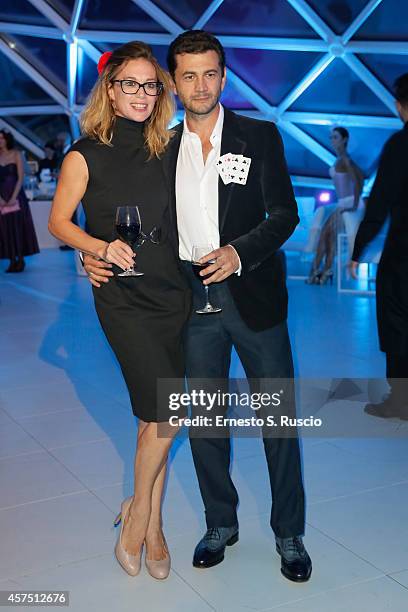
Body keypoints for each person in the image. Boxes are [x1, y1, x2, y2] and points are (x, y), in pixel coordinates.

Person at [84, 30, 312, 583]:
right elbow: (122, 219)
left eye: (210, 73)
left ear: (224, 77)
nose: (200, 85)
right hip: (190, 302)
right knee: (207, 422)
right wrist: (91, 257)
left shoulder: (260, 137)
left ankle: (289, 533)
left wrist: (239, 252)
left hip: (254, 299)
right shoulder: (160, 148)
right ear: (174, 83)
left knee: (277, 420)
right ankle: (220, 524)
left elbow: (284, 215)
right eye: (188, 75)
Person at [48, 41, 191, 580]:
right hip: (124, 298)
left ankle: (148, 520)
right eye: (129, 83)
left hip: (172, 292)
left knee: (151, 416)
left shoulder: (167, 147)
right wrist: (97, 249)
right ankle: (138, 527)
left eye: (150, 85)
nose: (141, 93)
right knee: (169, 413)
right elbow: (59, 221)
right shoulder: (85, 152)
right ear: (110, 90)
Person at [350, 73, 408, 421]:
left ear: (401, 105)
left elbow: (379, 204)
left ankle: (401, 401)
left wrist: (359, 251)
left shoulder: (401, 145)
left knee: (398, 325)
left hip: (404, 257)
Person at [306, 127, 364, 285]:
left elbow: (359, 181)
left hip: (347, 204)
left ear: (344, 139)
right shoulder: (343, 158)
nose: (332, 140)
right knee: (328, 237)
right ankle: (323, 271)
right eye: (331, 137)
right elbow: (361, 176)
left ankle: (317, 272)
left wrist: (354, 205)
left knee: (325, 235)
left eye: (335, 137)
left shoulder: (344, 159)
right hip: (344, 203)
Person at [0, 129, 39, 272]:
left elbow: (20, 177)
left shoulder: (16, 154)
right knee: (5, 229)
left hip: (16, 195)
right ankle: (11, 260)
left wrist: (13, 198)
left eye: (2, 138)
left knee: (18, 227)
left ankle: (20, 260)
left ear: (7, 139)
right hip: (2, 197)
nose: (0, 141)